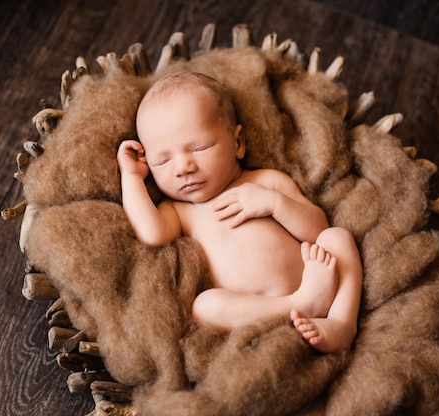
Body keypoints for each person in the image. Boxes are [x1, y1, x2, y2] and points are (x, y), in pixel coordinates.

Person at [117, 71, 362, 353]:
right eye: (162, 160)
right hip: (260, 311)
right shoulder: (180, 211)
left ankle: (342, 324)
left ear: (238, 142)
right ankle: (299, 305)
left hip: (319, 278)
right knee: (205, 306)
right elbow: (151, 234)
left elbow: (317, 229)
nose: (183, 167)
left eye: (199, 147)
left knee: (338, 237)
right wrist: (132, 176)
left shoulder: (265, 181)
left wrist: (274, 204)